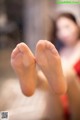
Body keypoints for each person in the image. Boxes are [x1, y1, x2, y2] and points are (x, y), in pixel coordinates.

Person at [53, 13, 80, 120]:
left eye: (67, 27)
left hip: (77, 99)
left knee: (68, 74)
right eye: (59, 29)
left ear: (77, 26)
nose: (63, 33)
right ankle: (34, 79)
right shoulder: (61, 52)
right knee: (51, 86)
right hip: (61, 100)